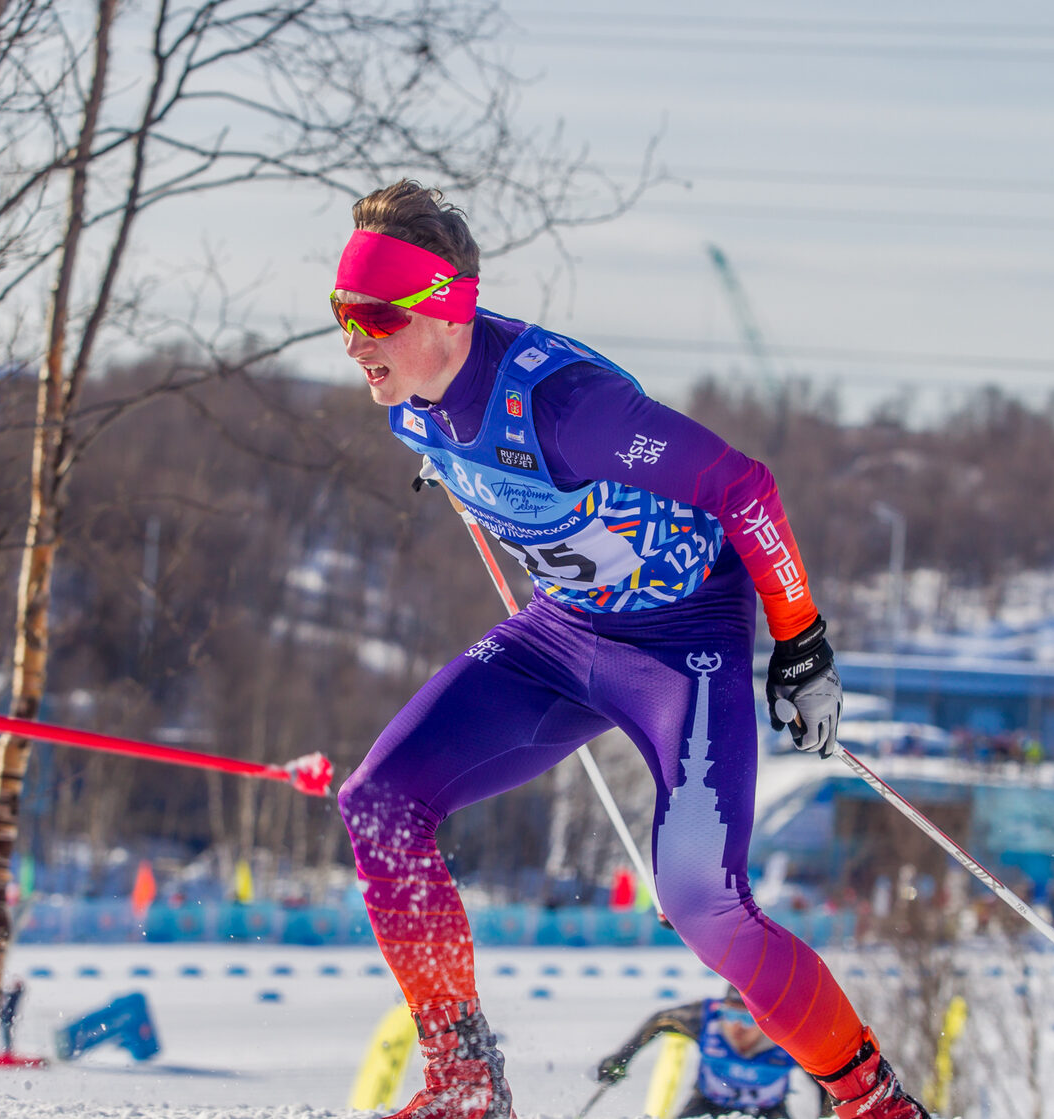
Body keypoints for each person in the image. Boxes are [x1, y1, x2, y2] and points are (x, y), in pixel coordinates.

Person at [332, 180, 931, 1119]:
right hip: (565, 632)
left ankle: (873, 1102)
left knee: (701, 901)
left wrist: (801, 643)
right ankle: (465, 1082)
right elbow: (475, 469)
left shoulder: (570, 408)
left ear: (444, 309)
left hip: (682, 643)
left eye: (372, 314)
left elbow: (744, 487)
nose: (352, 338)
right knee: (377, 801)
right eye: (339, 312)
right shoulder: (411, 400)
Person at [594, 985, 814, 1119]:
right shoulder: (705, 1017)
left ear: (766, 1021)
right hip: (708, 1102)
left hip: (768, 1108)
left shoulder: (789, 1034)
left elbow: (826, 1076)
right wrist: (620, 1059)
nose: (736, 1026)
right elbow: (659, 1021)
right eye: (730, 1015)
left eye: (748, 1019)